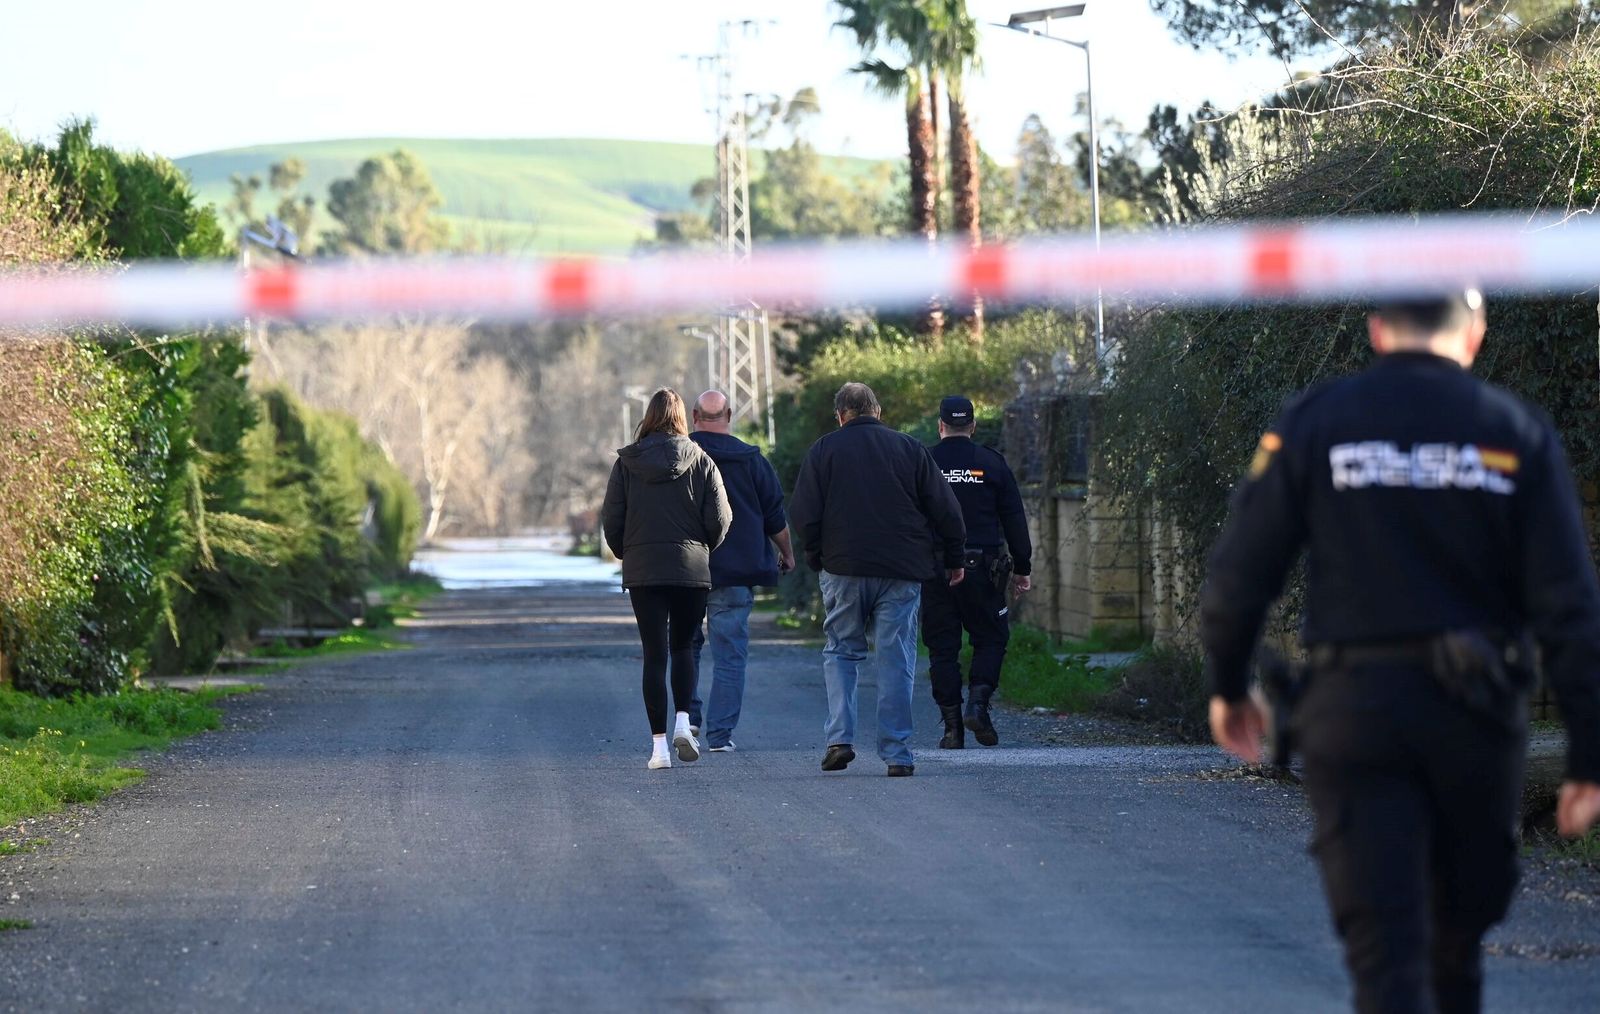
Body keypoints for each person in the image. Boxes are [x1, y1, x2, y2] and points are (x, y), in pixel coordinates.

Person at [1199, 291, 1600, 1013]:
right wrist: (1589, 757)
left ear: (1377, 330)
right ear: (1474, 334)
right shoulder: (1514, 431)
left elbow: (1237, 576)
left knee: (1388, 961)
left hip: (1357, 716)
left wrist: (1228, 687)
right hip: (1476, 722)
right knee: (1455, 951)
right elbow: (1570, 608)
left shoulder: (1320, 421)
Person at [789, 382, 967, 777]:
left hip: (844, 568)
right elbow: (946, 508)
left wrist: (818, 554)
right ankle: (897, 753)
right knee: (895, 658)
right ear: (878, 411)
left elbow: (804, 513)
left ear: (841, 416)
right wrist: (954, 558)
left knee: (841, 652)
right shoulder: (910, 449)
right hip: (901, 571)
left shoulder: (823, 450)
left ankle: (839, 739)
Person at [601, 387, 732, 771]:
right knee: (684, 648)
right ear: (680, 417)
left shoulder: (627, 463)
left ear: (649, 416)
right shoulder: (703, 460)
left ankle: (659, 750)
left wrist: (629, 553)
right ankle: (683, 724)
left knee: (654, 653)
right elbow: (722, 518)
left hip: (644, 570)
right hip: (691, 568)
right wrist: (703, 548)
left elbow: (612, 519)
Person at [684, 390, 796, 752]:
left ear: (694, 416)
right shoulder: (752, 461)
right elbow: (775, 517)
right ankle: (719, 736)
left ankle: (689, 721)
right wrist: (787, 554)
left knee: (685, 648)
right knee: (730, 655)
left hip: (685, 571)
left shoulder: (681, 458)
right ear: (729, 415)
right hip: (736, 574)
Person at [921, 395, 1034, 749]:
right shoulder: (991, 462)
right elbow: (1014, 518)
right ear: (972, 426)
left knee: (942, 648)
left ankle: (952, 729)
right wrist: (1022, 567)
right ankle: (978, 705)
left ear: (940, 426)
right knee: (991, 637)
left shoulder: (924, 462)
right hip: (982, 568)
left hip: (934, 569)